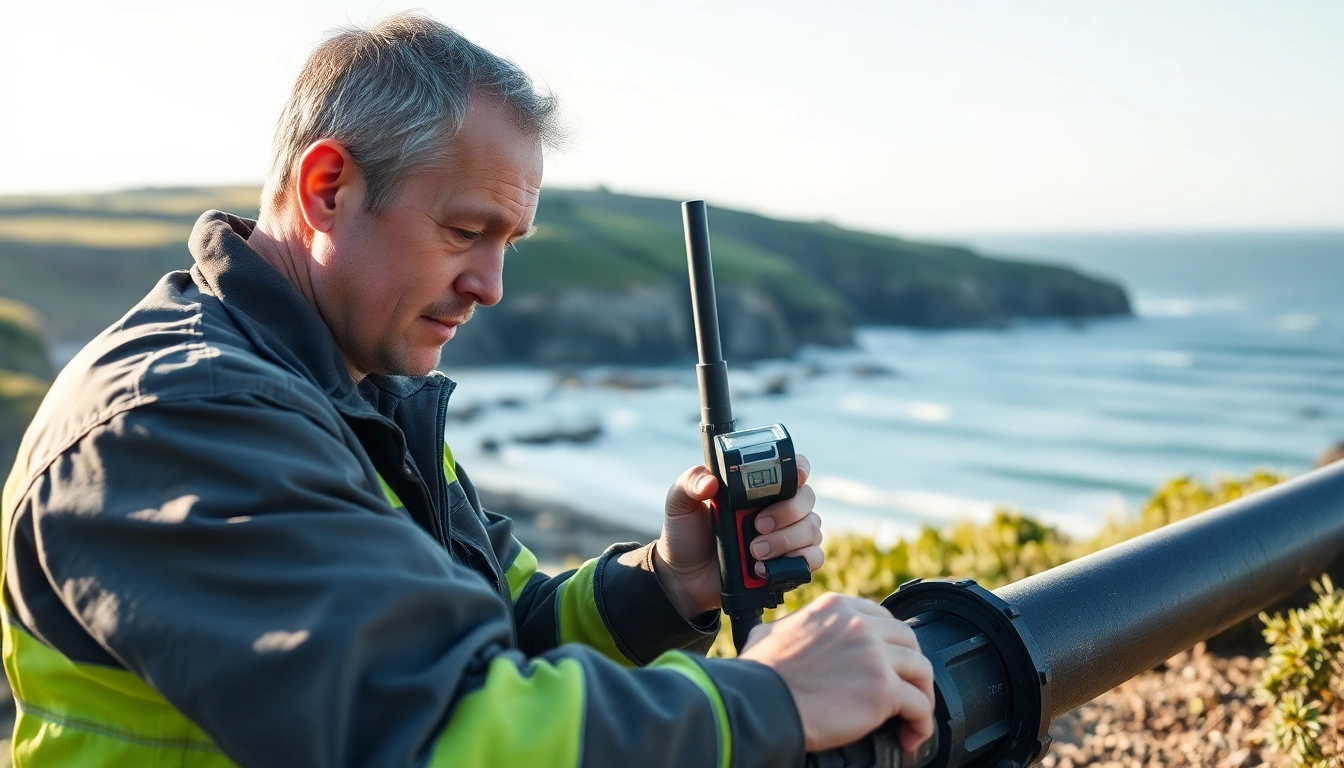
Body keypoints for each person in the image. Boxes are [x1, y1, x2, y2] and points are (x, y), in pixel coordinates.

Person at [0, 13, 934, 767]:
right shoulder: (182, 420)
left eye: (509, 243)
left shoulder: (353, 394)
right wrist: (770, 699)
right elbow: (432, 731)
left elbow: (508, 627)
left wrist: (665, 585)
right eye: (464, 231)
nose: (491, 287)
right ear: (327, 188)